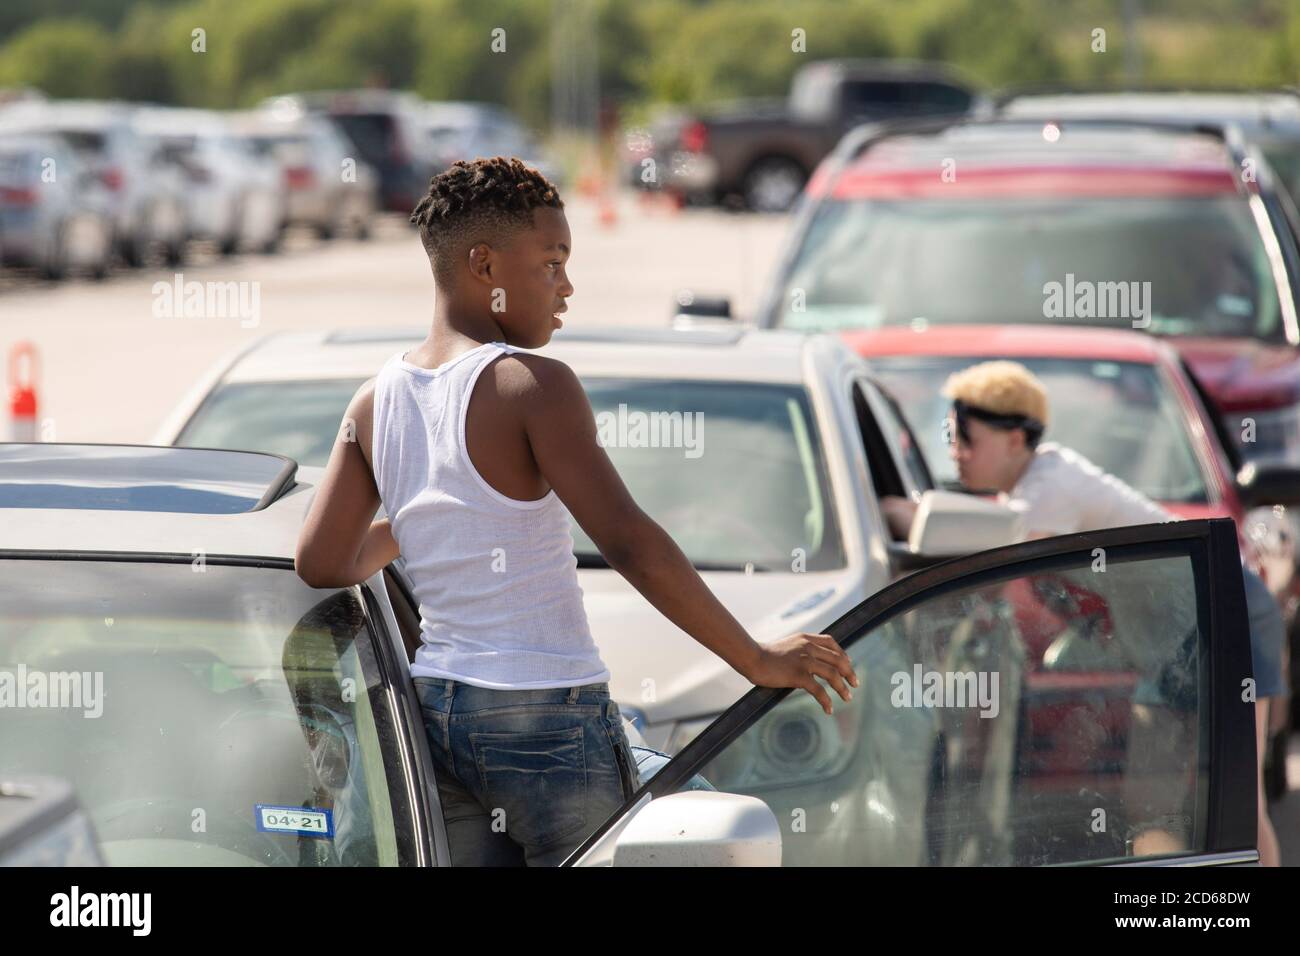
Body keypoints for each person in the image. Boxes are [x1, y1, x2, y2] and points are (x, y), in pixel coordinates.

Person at [294, 156, 857, 866]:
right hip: (543, 719)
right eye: (552, 263)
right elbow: (626, 540)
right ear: (484, 265)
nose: (567, 287)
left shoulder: (376, 401)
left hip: (437, 713)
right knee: (698, 829)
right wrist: (753, 657)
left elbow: (320, 562)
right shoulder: (534, 385)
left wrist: (428, 523)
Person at [881, 359, 1283, 865]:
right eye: (949, 435)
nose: (954, 452)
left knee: (1242, 799)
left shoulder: (1052, 485)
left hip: (1227, 613)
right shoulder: (1031, 490)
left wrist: (904, 513)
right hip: (1172, 639)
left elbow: (992, 544)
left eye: (966, 436)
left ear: (1015, 439)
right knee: (1148, 803)